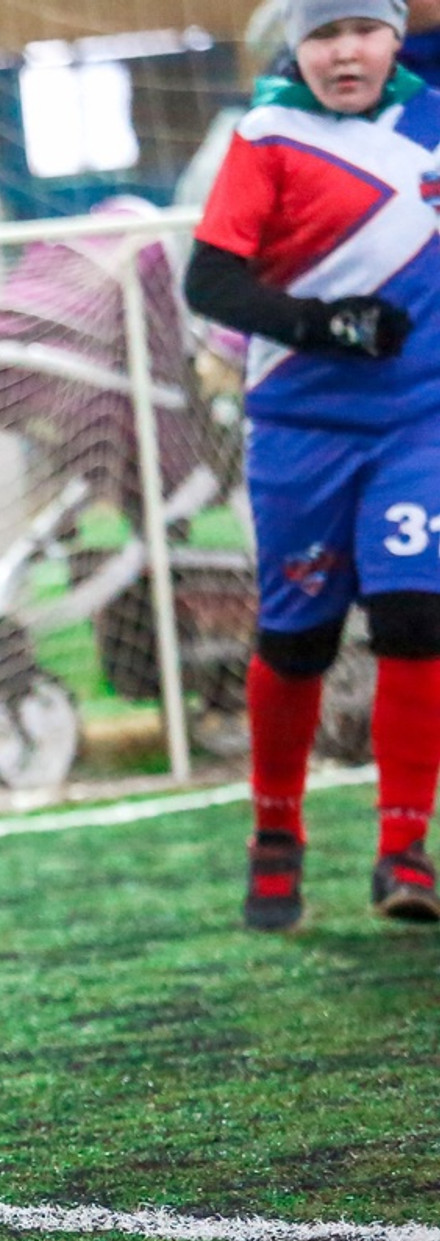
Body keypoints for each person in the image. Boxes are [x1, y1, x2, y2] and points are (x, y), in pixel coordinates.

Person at [184, 0, 440, 932]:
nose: (345, 51)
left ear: (395, 35)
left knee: (417, 614)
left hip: (421, 422)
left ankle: (404, 846)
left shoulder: (432, 116)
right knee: (301, 640)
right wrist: (322, 325)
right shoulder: (267, 133)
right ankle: (275, 834)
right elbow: (207, 281)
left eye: (364, 29)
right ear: (295, 45)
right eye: (324, 33)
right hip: (301, 423)